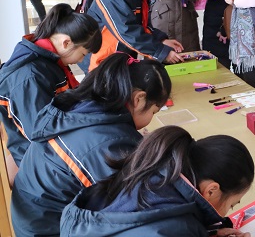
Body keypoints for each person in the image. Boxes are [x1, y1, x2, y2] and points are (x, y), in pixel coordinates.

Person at [11, 53, 172, 237]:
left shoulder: (84, 108)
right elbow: (133, 204)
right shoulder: (103, 143)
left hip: (42, 219)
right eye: (153, 111)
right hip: (50, 230)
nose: (151, 118)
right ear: (139, 99)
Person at [60, 125, 253, 237]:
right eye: (232, 204)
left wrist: (207, 232)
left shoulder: (152, 175)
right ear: (211, 190)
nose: (230, 210)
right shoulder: (178, 228)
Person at [0, 3, 101, 184]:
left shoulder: (48, 59)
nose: (82, 60)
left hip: (51, 144)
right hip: (39, 161)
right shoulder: (30, 77)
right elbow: (41, 132)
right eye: (83, 53)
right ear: (66, 43)